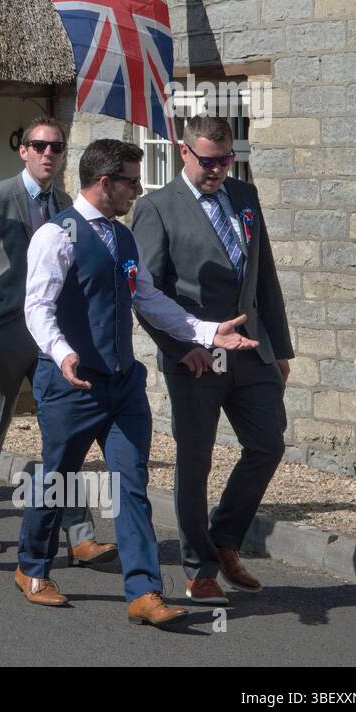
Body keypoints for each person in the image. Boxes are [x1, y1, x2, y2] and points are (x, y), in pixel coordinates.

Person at [18, 138, 258, 627]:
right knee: (58, 478)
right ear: (105, 183)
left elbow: (150, 301)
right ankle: (32, 567)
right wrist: (63, 354)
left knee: (132, 483)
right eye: (131, 180)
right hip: (72, 383)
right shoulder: (56, 235)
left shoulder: (123, 238)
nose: (138, 189)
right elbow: (37, 308)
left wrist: (211, 332)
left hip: (123, 383)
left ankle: (144, 592)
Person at [132, 114, 293, 605]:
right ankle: (199, 569)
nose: (218, 170)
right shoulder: (155, 208)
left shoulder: (244, 197)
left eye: (226, 160)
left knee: (267, 444)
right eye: (208, 161)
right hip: (196, 357)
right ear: (184, 152)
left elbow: (263, 277)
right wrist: (182, 348)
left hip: (250, 352)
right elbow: (145, 293)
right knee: (195, 461)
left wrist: (280, 348)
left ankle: (224, 538)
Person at [0, 118, 115, 561]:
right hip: (3, 330)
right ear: (23, 151)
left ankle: (79, 534)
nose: (48, 153)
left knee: (64, 431)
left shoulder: (67, 203)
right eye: (39, 145)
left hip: (51, 337)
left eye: (56, 147)